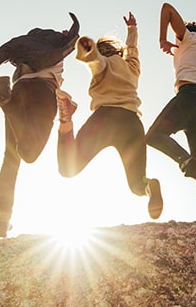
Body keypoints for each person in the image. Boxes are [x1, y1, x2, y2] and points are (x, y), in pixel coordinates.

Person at [0, 13, 80, 238]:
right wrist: (69, 34)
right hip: (43, 94)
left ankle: (2, 222)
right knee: (29, 154)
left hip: (19, 92)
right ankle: (4, 102)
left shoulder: (17, 44)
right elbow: (77, 39)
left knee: (11, 159)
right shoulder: (58, 41)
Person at [54, 12, 163, 219]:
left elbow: (97, 63)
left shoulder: (103, 64)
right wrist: (132, 30)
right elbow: (133, 51)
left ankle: (66, 119)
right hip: (131, 122)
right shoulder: (132, 67)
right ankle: (150, 186)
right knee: (137, 183)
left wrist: (89, 51)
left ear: (102, 51)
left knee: (68, 168)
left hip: (104, 121)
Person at [145, 2, 196, 203]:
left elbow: (166, 8)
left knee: (153, 136)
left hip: (190, 95)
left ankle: (193, 167)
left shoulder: (188, 38)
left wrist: (163, 40)